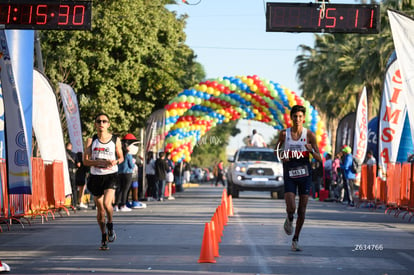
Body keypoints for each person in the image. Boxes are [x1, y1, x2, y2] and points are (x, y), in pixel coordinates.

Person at [275, 105, 322, 251]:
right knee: (292, 207)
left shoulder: (310, 135)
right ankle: (289, 218)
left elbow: (319, 158)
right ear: (291, 118)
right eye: (295, 116)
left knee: (302, 210)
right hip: (290, 172)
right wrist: (282, 156)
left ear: (304, 118)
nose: (297, 119)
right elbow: (277, 150)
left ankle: (295, 239)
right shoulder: (284, 134)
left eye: (300, 116)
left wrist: (311, 151)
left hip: (305, 174)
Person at [84, 113, 124, 250]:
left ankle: (111, 226)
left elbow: (121, 158)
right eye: (98, 121)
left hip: (110, 175)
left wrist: (115, 161)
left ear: (108, 124)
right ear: (95, 124)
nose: (101, 123)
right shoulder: (91, 140)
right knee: (100, 211)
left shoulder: (115, 140)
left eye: (104, 121)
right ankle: (103, 236)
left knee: (107, 204)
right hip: (96, 176)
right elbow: (85, 161)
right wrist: (99, 162)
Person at [115, 142, 134, 212]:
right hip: (127, 173)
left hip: (119, 173)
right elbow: (131, 165)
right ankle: (123, 205)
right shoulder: (128, 155)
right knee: (125, 190)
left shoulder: (119, 155)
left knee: (119, 189)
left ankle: (116, 205)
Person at [66, 142, 78, 209]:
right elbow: (78, 164)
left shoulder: (63, 154)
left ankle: (61, 203)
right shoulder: (74, 154)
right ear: (71, 147)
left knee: (64, 189)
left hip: (65, 173)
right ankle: (74, 204)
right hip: (72, 173)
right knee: (73, 188)